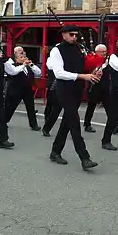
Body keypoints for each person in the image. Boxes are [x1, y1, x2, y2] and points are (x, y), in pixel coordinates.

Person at [48, 25, 99, 170]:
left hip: (77, 88)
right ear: (63, 34)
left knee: (67, 121)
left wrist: (93, 72)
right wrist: (82, 76)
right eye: (71, 34)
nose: (74, 37)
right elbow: (58, 73)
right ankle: (85, 158)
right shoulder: (57, 50)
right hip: (64, 89)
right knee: (74, 123)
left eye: (76, 35)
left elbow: (83, 66)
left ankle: (55, 151)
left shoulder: (79, 48)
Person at [83, 44, 118, 134]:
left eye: (105, 51)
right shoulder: (92, 59)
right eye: (102, 52)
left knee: (109, 107)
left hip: (106, 87)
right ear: (96, 52)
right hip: (94, 86)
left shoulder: (108, 60)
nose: (104, 53)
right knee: (91, 106)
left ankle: (115, 125)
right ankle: (87, 124)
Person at [4, 46, 42, 131]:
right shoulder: (13, 65)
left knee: (30, 107)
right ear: (16, 58)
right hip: (15, 89)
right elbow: (14, 72)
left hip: (27, 89)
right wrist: (23, 65)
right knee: (10, 107)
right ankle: (4, 121)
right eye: (21, 57)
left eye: (24, 57)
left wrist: (31, 65)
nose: (23, 58)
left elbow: (39, 73)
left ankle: (34, 125)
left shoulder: (29, 66)